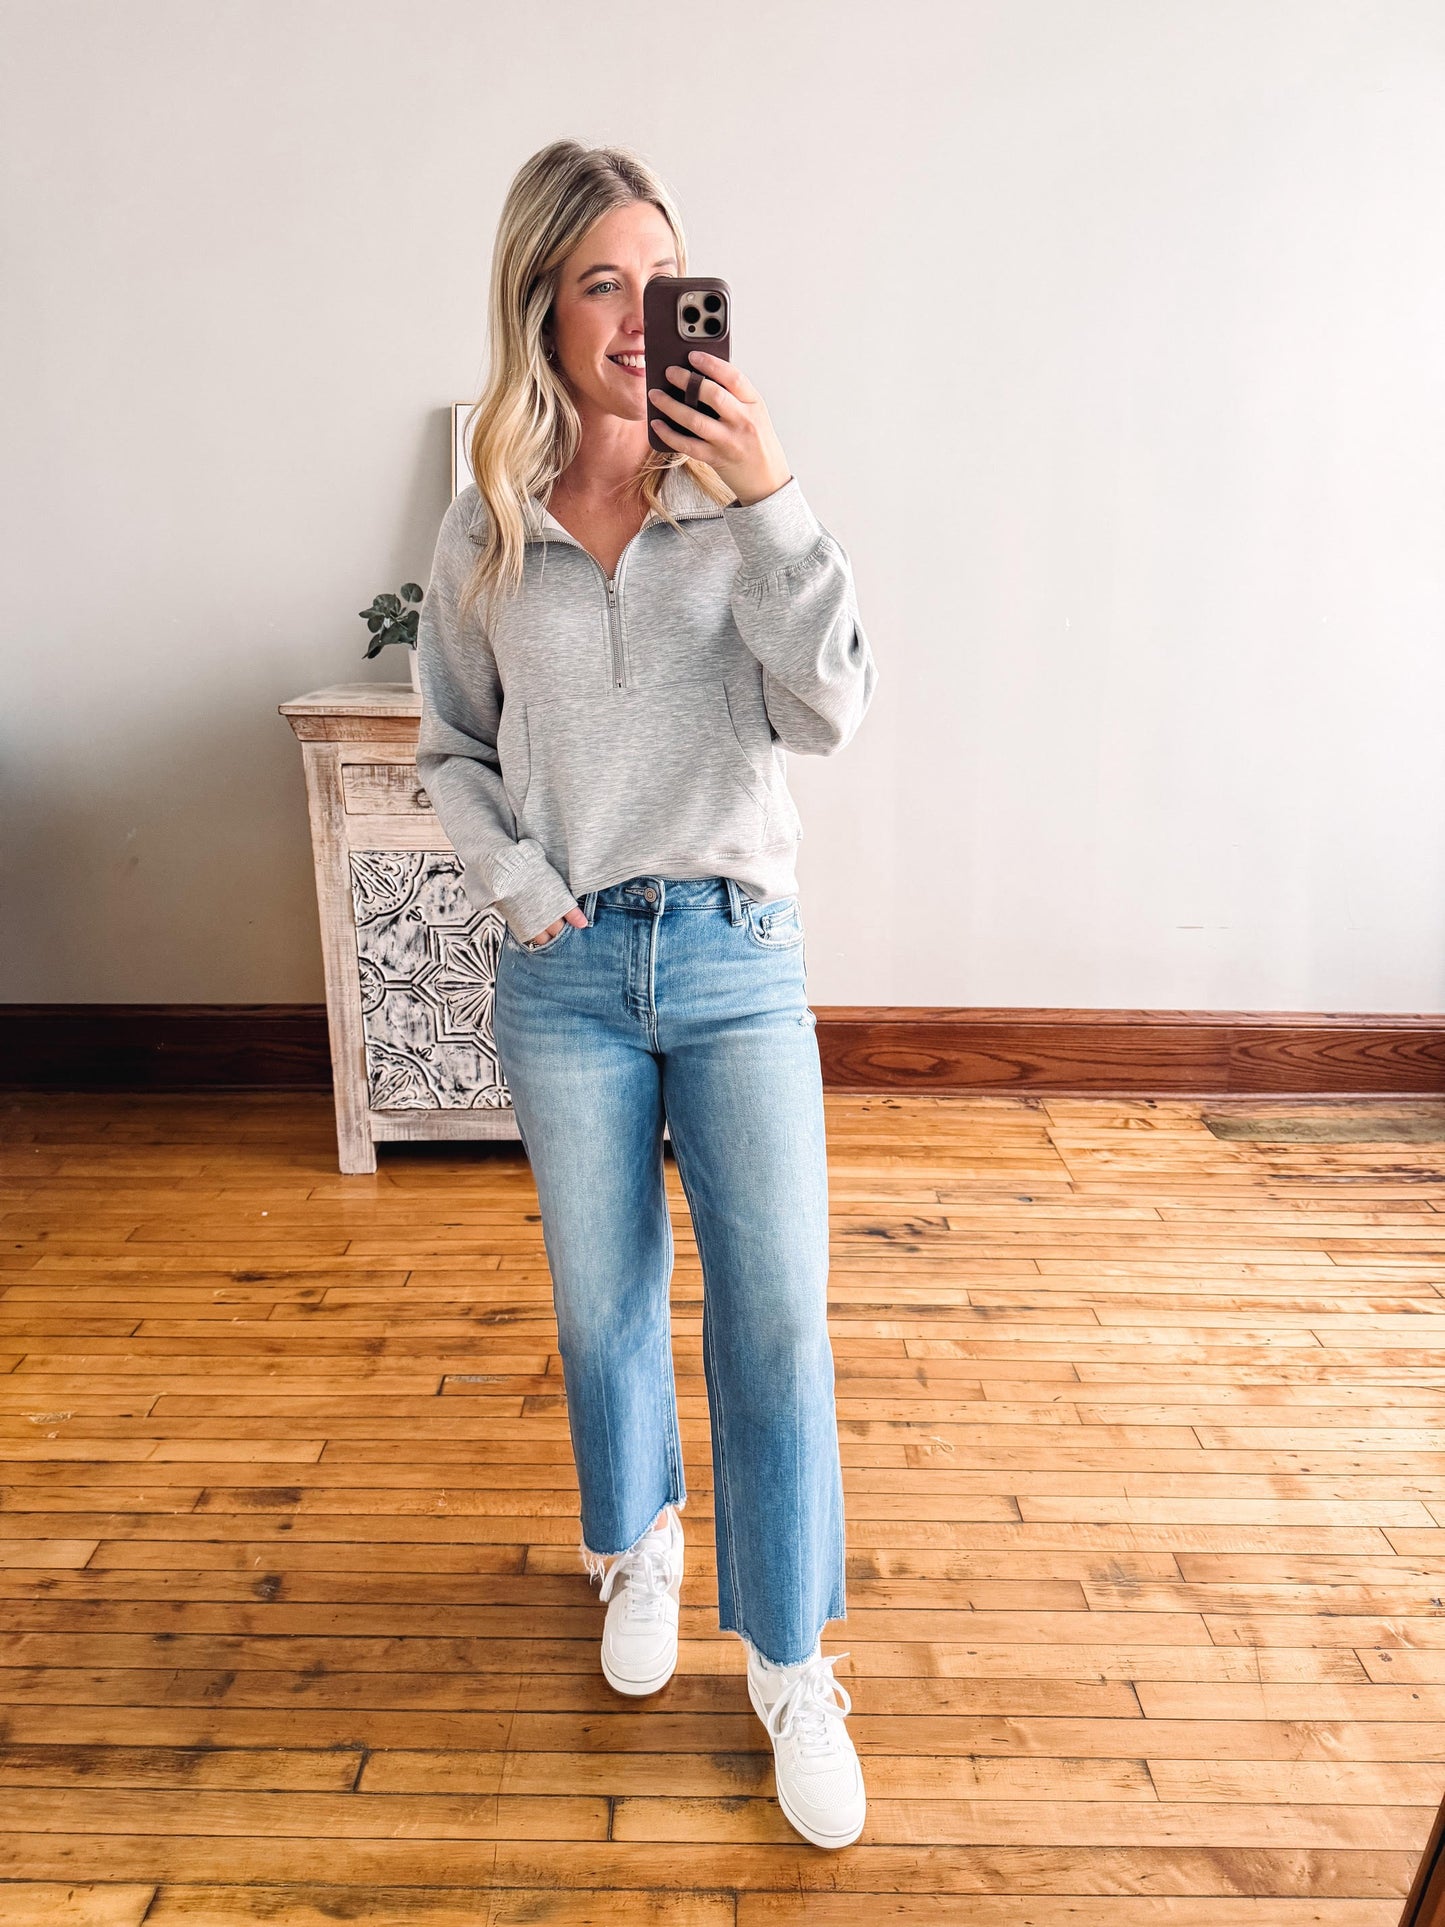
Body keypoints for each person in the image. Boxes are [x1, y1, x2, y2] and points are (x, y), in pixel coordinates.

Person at [414, 138, 878, 1851]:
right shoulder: (488, 517)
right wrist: (522, 888)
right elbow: (452, 749)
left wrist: (770, 497)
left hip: (739, 959)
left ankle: (789, 1664)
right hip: (569, 970)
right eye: (597, 281)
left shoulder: (739, 499)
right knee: (602, 1300)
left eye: (657, 280)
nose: (632, 316)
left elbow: (830, 706)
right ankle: (639, 1545)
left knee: (772, 1321)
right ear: (541, 303)